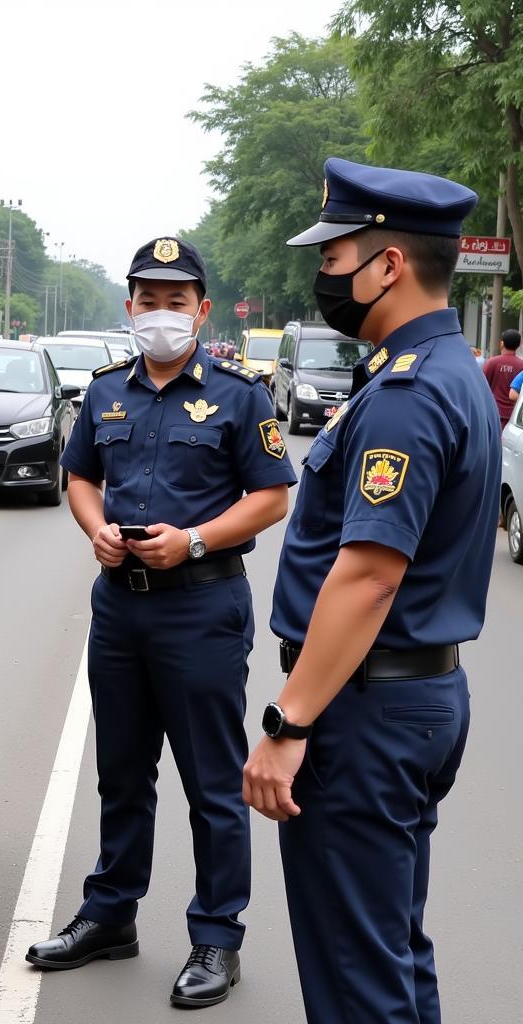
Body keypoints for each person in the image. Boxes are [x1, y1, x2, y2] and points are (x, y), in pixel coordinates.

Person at [244, 157, 501, 1024]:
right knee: (392, 953)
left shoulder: (405, 393)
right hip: (414, 698)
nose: (323, 274)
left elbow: (366, 577)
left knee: (357, 978)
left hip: (364, 714)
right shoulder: (443, 369)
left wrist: (289, 723)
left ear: (387, 264)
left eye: (333, 256)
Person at [27, 237, 296, 1008]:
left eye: (176, 300)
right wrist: (95, 530)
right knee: (122, 772)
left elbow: (273, 495)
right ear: (130, 306)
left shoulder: (241, 393)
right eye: (148, 298)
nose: (161, 312)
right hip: (119, 606)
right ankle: (111, 914)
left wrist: (197, 539)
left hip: (201, 607)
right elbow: (79, 475)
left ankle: (217, 937)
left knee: (212, 782)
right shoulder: (108, 390)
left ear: (202, 310)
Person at [483, 328, 523, 429]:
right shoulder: (521, 365)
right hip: (514, 418)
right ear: (519, 345)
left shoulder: (491, 363)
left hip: (493, 413)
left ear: (502, 343)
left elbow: (481, 387)